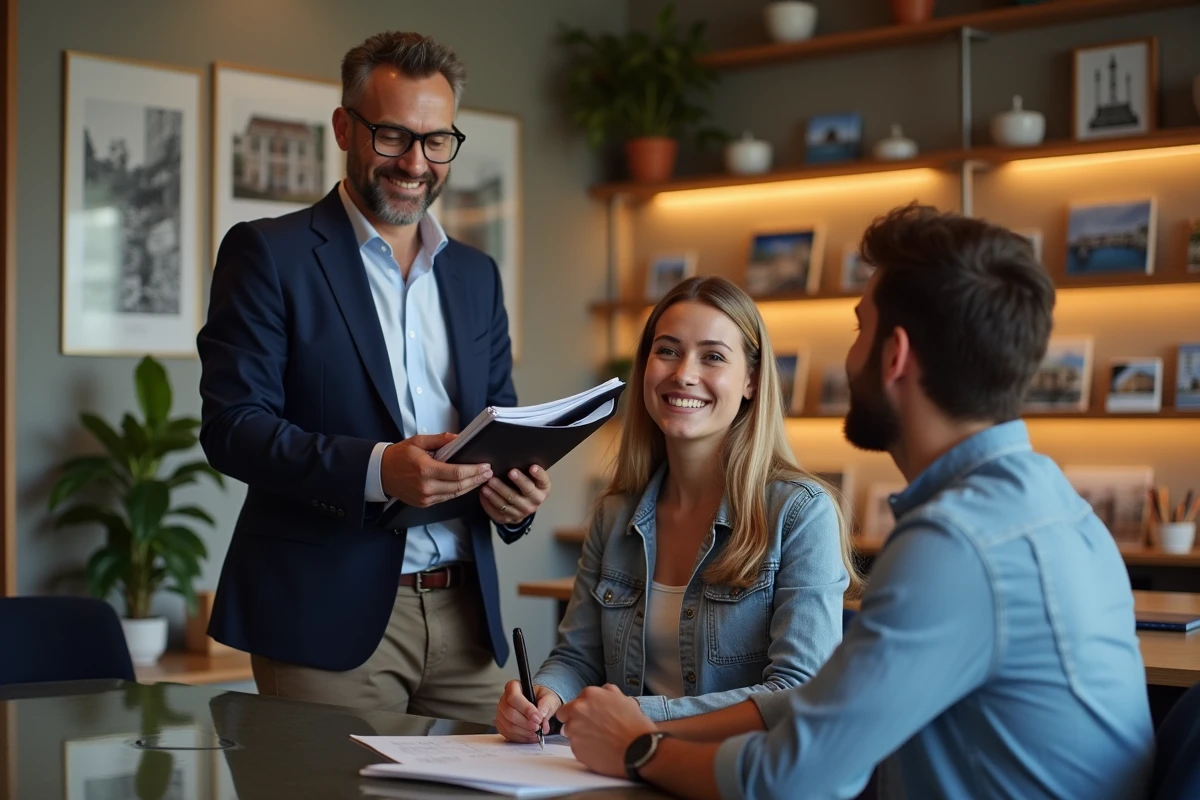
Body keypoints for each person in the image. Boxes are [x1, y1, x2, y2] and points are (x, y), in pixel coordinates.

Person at [555, 204, 1155, 799]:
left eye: (858, 328)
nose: (849, 356)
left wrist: (640, 747)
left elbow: (794, 778)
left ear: (892, 355)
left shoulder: (954, 544)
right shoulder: (1058, 508)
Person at [197, 31, 551, 724]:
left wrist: (518, 497)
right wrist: (379, 469)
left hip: (466, 621)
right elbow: (233, 430)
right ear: (344, 127)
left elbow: (498, 424)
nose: (415, 163)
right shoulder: (269, 254)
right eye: (392, 136)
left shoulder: (476, 275)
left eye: (437, 140)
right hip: (322, 622)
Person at [495, 276, 859, 741]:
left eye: (712, 356)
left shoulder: (801, 514)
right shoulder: (614, 514)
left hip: (736, 776)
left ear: (751, 380)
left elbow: (799, 691)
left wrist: (641, 718)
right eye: (667, 350)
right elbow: (577, 657)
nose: (683, 373)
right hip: (618, 770)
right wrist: (544, 696)